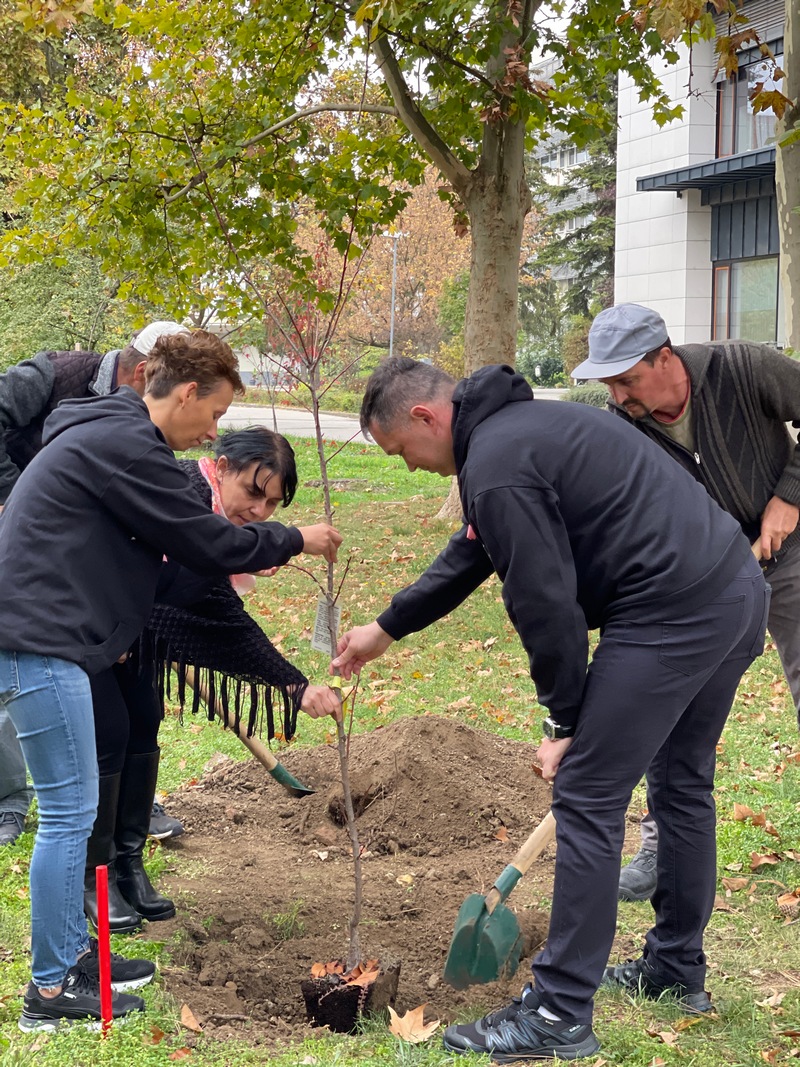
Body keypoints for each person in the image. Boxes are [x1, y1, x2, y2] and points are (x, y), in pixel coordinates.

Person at [332, 357, 768, 1062]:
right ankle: (674, 968)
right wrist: (386, 628)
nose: (410, 467)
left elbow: (545, 605)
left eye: (400, 452)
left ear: (424, 417)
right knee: (681, 785)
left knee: (588, 794)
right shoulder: (523, 431)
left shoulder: (497, 463)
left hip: (669, 612)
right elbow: (473, 551)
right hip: (733, 589)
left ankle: (559, 1012)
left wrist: (565, 721)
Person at [0, 329, 341, 1031]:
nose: (214, 432)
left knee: (75, 808)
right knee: (68, 813)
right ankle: (52, 989)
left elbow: (173, 567)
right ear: (186, 393)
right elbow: (206, 541)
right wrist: (294, 537)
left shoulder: (112, 432)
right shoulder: (129, 446)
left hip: (48, 633)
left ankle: (76, 956)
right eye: (214, 413)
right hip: (39, 638)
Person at [572, 302, 800, 903]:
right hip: (704, 580)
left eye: (628, 380)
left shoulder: (744, 368)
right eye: (609, 384)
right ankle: (660, 846)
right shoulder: (624, 426)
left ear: (666, 358)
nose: (618, 397)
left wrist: (790, 495)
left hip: (790, 551)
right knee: (669, 711)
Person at [84, 426, 342, 934]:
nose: (260, 511)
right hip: (86, 627)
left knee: (144, 724)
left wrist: (293, 685)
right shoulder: (181, 493)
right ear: (221, 467)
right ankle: (94, 879)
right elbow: (183, 553)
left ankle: (128, 864)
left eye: (273, 503)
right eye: (253, 492)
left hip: (133, 641)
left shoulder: (215, 522)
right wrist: (285, 541)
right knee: (109, 737)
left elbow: (224, 618)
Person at [0, 319, 188, 846]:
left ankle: (124, 798)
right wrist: (14, 496)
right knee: (21, 668)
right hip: (18, 540)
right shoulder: (52, 374)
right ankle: (11, 799)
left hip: (78, 556)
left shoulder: (150, 420)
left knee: (112, 690)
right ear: (145, 373)